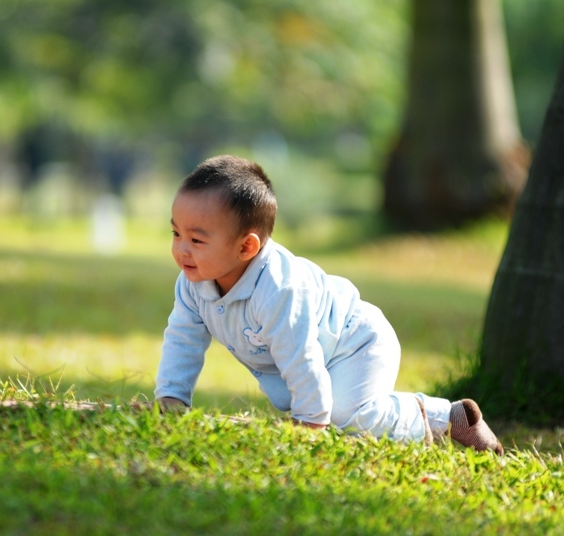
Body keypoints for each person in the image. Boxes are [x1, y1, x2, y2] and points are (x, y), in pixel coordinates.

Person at [154, 155, 503, 454]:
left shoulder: (278, 290)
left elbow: (299, 355)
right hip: (324, 355)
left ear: (246, 247)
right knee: (338, 414)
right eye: (176, 234)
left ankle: (447, 417)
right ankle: (437, 415)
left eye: (196, 240)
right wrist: (172, 398)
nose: (181, 249)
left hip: (356, 342)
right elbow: (183, 339)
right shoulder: (193, 284)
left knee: (348, 418)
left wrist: (309, 424)